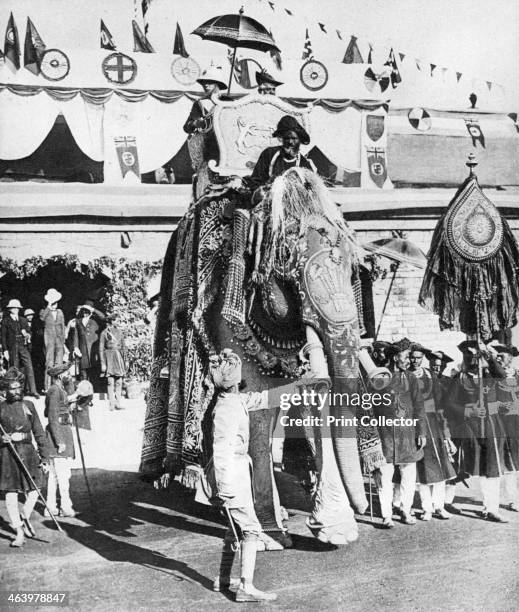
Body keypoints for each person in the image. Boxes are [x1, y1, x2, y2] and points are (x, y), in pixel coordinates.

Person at [196, 349, 277, 602]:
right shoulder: (227, 410)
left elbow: (264, 399)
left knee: (235, 529)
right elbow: (221, 452)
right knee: (251, 529)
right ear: (233, 383)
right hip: (229, 474)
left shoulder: (233, 400)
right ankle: (246, 587)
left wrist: (302, 387)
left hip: (237, 472)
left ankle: (222, 579)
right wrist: (225, 488)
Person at [444, 340, 508, 522]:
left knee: (492, 467)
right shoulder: (460, 378)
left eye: (474, 355)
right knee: (464, 465)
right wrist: (468, 410)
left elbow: (502, 375)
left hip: (491, 426)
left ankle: (491, 509)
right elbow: (449, 404)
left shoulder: (489, 373)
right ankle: (444, 501)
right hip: (470, 427)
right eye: (467, 355)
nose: (471, 359)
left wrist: (488, 354)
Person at [373, 337, 426, 527]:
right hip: (385, 435)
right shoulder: (380, 377)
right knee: (384, 475)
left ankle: (405, 510)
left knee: (409, 475)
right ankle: (386, 515)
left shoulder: (411, 378)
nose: (409, 360)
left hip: (407, 435)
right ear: (395, 357)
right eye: (405, 356)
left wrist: (421, 432)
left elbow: (419, 406)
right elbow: (370, 407)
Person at [0, 369, 49, 546]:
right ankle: (18, 532)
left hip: (28, 453)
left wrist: (45, 456)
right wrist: (2, 438)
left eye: (19, 387)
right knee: (11, 494)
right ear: (6, 389)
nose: (17, 391)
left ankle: (25, 514)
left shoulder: (29, 405)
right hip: (8, 455)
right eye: (12, 388)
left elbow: (39, 432)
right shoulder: (1, 407)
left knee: (37, 487)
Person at [409, 343, 457, 520]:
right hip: (415, 425)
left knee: (440, 467)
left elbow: (440, 406)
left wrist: (446, 435)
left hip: (434, 425)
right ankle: (426, 508)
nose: (415, 360)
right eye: (412, 357)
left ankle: (439, 506)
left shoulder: (430, 375)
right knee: (423, 469)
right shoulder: (405, 376)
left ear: (423, 359)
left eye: (419, 357)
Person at [184, 64, 228, 199]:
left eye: (209, 82)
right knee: (205, 191)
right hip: (208, 151)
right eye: (204, 83)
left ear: (218, 83)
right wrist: (195, 123)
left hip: (226, 152)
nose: (206, 85)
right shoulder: (200, 104)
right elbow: (186, 127)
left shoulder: (228, 102)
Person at [243, 115, 316, 192]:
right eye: (287, 138)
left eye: (294, 138)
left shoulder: (304, 164)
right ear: (282, 139)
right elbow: (255, 181)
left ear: (300, 140)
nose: (290, 142)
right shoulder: (269, 154)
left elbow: (310, 191)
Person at [44, 364, 77, 518]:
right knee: (61, 475)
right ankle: (64, 506)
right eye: (66, 373)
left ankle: (52, 507)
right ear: (59, 375)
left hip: (63, 432)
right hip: (58, 436)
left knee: (56, 475)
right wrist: (59, 441)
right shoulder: (54, 391)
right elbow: (51, 416)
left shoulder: (59, 390)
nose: (69, 375)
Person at [494, 344, 519, 512]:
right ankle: (514, 499)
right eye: (497, 356)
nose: (498, 359)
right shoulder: (494, 377)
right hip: (504, 425)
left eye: (501, 356)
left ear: (510, 358)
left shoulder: (518, 375)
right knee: (510, 463)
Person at [1, 299, 39, 398]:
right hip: (12, 347)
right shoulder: (6, 321)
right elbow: (3, 337)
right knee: (15, 369)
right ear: (10, 309)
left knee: (29, 367)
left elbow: (29, 332)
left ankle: (33, 391)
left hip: (23, 346)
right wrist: (5, 350)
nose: (16, 309)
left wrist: (28, 335)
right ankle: (18, 391)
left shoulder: (23, 320)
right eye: (14, 308)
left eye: (17, 308)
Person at [99, 313, 127, 411]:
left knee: (119, 381)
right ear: (111, 321)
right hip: (109, 357)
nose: (118, 322)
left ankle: (118, 403)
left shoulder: (120, 332)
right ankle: (111, 403)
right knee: (110, 381)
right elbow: (101, 349)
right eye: (116, 320)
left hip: (118, 357)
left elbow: (124, 347)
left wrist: (126, 360)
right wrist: (103, 363)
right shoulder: (104, 333)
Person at [40, 288, 66, 391]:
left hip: (59, 341)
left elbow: (63, 327)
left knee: (59, 363)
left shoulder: (60, 312)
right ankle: (47, 387)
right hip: (49, 340)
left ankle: (58, 387)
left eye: (56, 302)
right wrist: (48, 306)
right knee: (49, 363)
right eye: (53, 302)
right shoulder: (44, 311)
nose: (55, 304)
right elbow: (42, 318)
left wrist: (63, 340)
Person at [73, 303, 100, 382]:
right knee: (83, 371)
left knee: (93, 371)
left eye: (87, 311)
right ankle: (84, 390)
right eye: (83, 311)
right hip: (83, 349)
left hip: (93, 349)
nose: (85, 313)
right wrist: (76, 347)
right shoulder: (78, 321)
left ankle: (92, 390)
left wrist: (93, 309)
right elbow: (76, 336)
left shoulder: (95, 320)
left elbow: (103, 317)